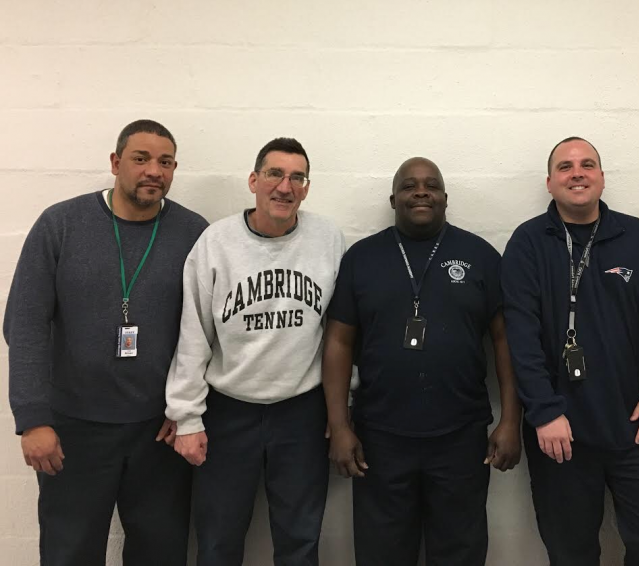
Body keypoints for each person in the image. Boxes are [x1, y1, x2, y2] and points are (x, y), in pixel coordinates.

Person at [4, 120, 207, 566]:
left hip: (159, 431)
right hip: (74, 429)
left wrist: (186, 408)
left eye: (166, 162)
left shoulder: (194, 233)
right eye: (141, 159)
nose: (154, 170)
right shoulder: (61, 224)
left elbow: (207, 330)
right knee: (69, 552)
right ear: (116, 164)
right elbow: (25, 324)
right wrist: (33, 418)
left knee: (160, 552)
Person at [322, 157, 522, 566]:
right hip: (379, 437)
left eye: (431, 185)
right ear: (392, 197)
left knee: (460, 551)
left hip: (461, 436)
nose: (420, 191)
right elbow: (339, 343)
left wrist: (511, 420)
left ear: (445, 198)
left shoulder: (480, 255)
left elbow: (505, 341)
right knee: (383, 553)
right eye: (409, 185)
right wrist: (340, 426)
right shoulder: (362, 258)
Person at [502, 136, 639, 566]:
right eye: (565, 167)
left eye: (587, 164)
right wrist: (544, 411)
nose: (577, 173)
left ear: (602, 178)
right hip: (560, 433)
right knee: (571, 552)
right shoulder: (528, 243)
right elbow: (520, 337)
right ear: (550, 182)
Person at [165, 137, 344, 566]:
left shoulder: (328, 239)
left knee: (300, 540)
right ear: (253, 180)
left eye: (297, 177)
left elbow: (341, 332)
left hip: (302, 411)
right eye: (274, 174)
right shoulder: (216, 242)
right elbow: (194, 334)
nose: (285, 186)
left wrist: (344, 404)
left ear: (306, 187)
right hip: (229, 412)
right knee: (218, 539)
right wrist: (186, 416)